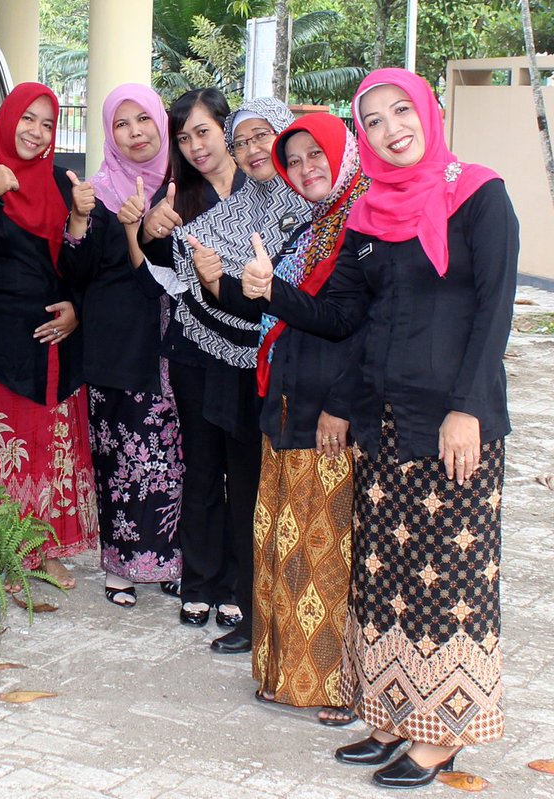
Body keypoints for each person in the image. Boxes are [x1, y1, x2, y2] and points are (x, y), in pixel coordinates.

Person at [245, 68, 519, 788]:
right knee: (387, 579)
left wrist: (469, 410)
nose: (393, 126)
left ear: (427, 109)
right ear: (363, 137)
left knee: (449, 580)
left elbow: (492, 315)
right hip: (382, 420)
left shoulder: (479, 196)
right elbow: (342, 318)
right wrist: (266, 289)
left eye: (402, 110)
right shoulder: (368, 216)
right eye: (375, 119)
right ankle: (396, 716)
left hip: (453, 424)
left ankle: (441, 735)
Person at [199, 112, 369, 723]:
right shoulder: (311, 222)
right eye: (293, 160)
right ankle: (286, 672)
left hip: (327, 411)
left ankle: (331, 680)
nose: (304, 169)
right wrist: (228, 285)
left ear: (343, 152)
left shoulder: (363, 219)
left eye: (314, 155)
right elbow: (278, 308)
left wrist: (340, 406)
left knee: (325, 551)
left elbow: (353, 324)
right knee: (286, 541)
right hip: (287, 402)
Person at [141, 92, 309, 651]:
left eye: (208, 133)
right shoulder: (181, 195)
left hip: (272, 357)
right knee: (203, 468)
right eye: (185, 138)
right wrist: (147, 232)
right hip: (200, 348)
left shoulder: (293, 191)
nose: (198, 147)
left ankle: (249, 592)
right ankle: (206, 582)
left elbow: (276, 284)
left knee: (252, 476)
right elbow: (173, 267)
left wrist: (219, 284)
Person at [0, 82, 98, 588]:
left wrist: (79, 221)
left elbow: (80, 268)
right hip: (5, 336)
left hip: (60, 335)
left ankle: (47, 551)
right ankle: (12, 552)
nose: (36, 132)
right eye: (28, 118)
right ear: (8, 117)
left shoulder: (62, 183)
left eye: (47, 123)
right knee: (11, 447)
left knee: (54, 444)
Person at [58, 84, 183, 607]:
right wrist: (81, 219)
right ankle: (120, 564)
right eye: (121, 125)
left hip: (180, 344)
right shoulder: (98, 191)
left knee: (176, 456)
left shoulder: (185, 184)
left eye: (143, 121)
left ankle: (175, 561)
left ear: (161, 123)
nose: (135, 133)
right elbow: (76, 273)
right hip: (116, 342)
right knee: (120, 455)